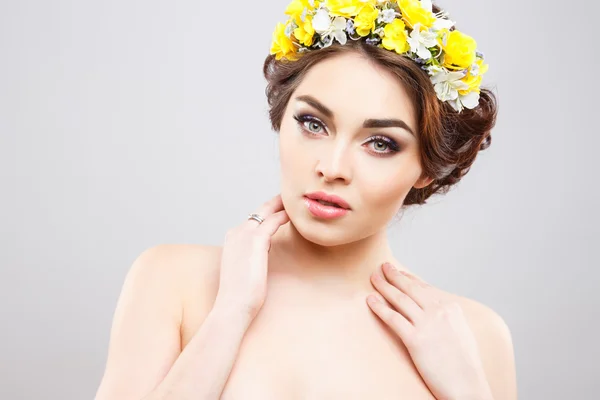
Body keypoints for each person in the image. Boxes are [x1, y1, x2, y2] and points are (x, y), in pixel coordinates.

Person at [94, 1, 517, 399]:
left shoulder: (475, 336)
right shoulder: (175, 281)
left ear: (427, 166)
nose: (332, 167)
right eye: (313, 123)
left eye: (382, 143)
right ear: (281, 119)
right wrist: (229, 317)